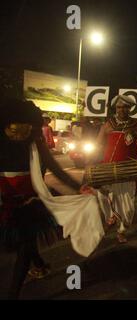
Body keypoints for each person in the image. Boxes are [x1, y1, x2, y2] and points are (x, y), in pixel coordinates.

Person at [0, 98, 101, 299]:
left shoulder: (35, 141)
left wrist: (79, 187)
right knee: (21, 241)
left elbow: (55, 168)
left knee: (25, 243)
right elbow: (55, 169)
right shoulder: (12, 140)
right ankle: (38, 265)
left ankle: (13, 294)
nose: (20, 132)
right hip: (5, 201)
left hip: (30, 202)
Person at [95, 94, 137, 243]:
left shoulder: (136, 126)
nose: (121, 110)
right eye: (119, 107)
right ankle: (111, 217)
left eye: (125, 107)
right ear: (116, 108)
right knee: (101, 194)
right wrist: (93, 160)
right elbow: (98, 144)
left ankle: (122, 230)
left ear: (130, 108)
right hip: (108, 167)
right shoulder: (108, 125)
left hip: (128, 169)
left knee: (128, 206)